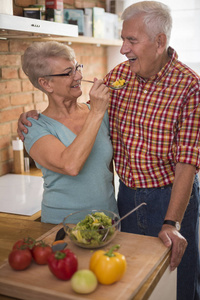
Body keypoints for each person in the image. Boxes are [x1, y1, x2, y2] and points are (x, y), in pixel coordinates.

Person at [17, 2, 200, 299]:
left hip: (165, 199)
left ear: (159, 42)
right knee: (125, 285)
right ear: (45, 83)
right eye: (122, 39)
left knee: (177, 282)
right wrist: (27, 117)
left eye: (131, 40)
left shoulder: (189, 86)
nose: (123, 49)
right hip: (118, 203)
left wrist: (172, 220)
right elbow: (70, 156)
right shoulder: (119, 79)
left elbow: (188, 161)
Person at [18, 41, 118, 224]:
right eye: (68, 72)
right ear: (46, 83)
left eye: (77, 67)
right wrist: (96, 112)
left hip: (109, 220)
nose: (78, 76)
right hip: (62, 225)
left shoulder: (98, 113)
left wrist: (96, 111)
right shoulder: (34, 127)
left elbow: (106, 171)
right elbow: (70, 166)